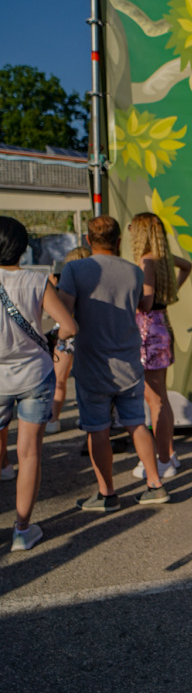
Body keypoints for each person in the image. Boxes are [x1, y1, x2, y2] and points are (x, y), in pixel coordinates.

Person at [57, 215, 169, 509]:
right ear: (118, 241)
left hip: (92, 365)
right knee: (136, 424)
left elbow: (64, 316)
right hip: (128, 362)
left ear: (87, 240)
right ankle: (155, 484)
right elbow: (144, 304)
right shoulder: (133, 271)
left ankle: (107, 494)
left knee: (98, 429)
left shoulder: (74, 269)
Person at [0, 216, 78, 551]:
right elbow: (69, 327)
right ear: (22, 247)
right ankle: (22, 530)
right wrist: (51, 339)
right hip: (35, 373)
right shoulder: (37, 280)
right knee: (29, 452)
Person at [127, 212, 192, 481]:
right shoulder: (162, 257)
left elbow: (146, 301)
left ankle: (163, 460)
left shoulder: (146, 260)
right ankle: (169, 453)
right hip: (161, 325)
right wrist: (172, 292)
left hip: (148, 330)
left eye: (132, 228)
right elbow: (187, 266)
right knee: (160, 398)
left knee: (154, 400)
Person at [45, 245, 92, 434]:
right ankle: (87, 416)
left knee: (60, 379)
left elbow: (61, 309)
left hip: (66, 335)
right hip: (88, 333)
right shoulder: (94, 281)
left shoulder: (68, 282)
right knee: (87, 380)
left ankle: (54, 419)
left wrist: (52, 285)